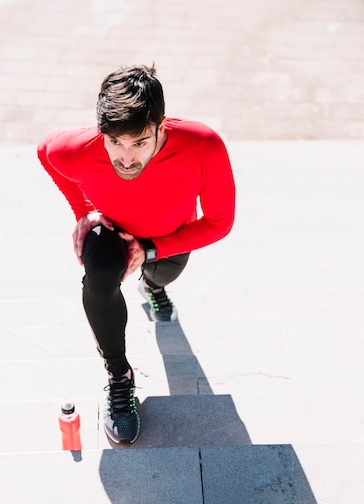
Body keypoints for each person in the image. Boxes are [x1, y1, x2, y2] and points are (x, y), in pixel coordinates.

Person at [37, 64, 235, 445]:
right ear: (102, 132)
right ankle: (118, 376)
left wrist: (149, 251)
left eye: (140, 142)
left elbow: (219, 222)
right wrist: (83, 212)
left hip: (168, 238)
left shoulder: (203, 146)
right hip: (110, 230)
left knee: (160, 276)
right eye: (115, 143)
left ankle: (153, 287)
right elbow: (46, 153)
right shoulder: (76, 149)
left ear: (161, 126)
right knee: (99, 275)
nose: (126, 158)